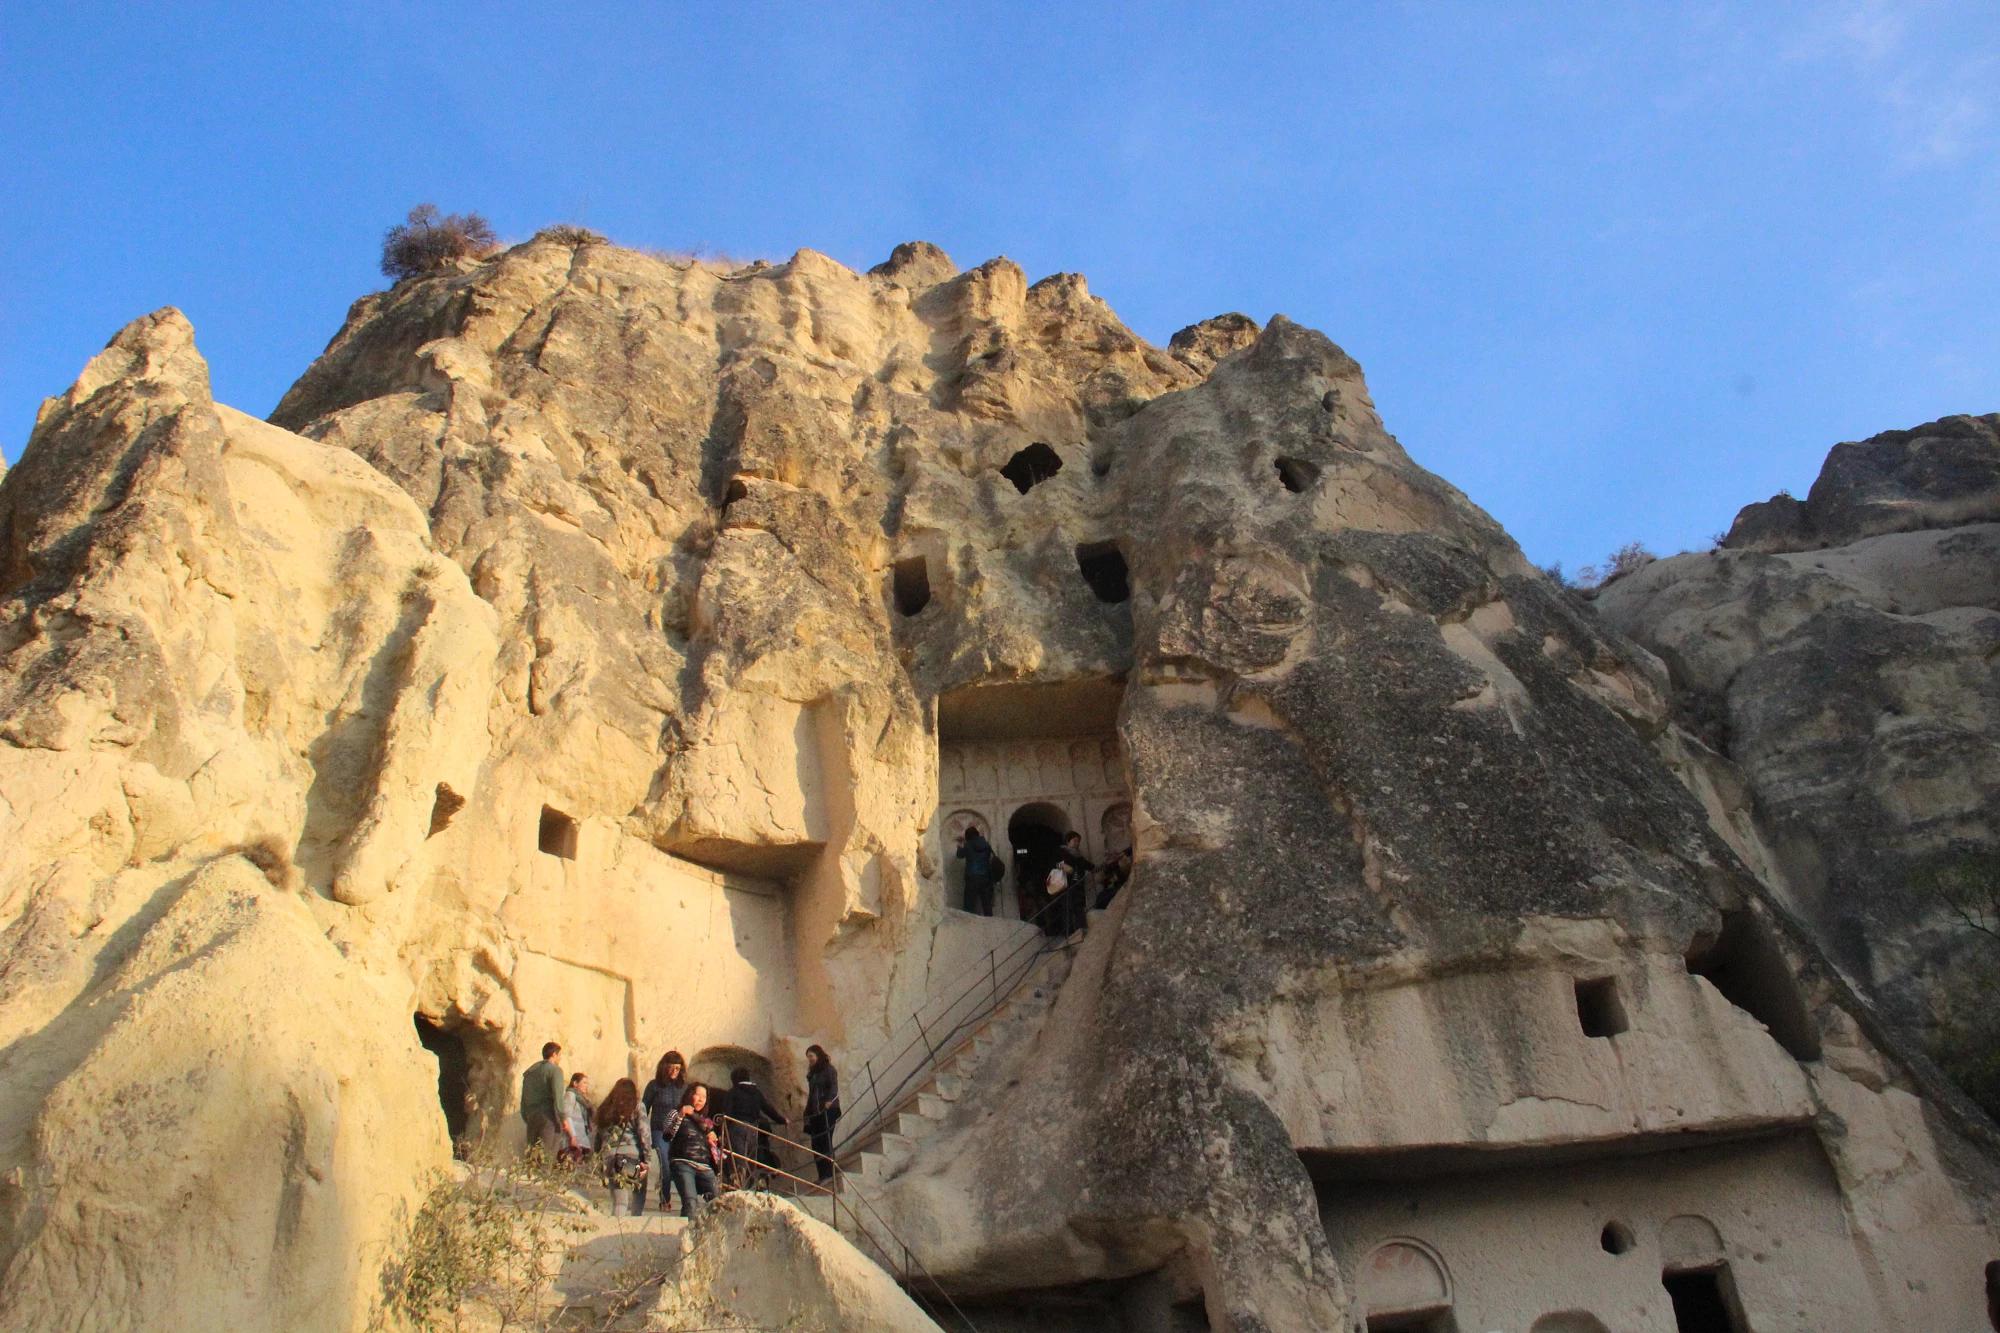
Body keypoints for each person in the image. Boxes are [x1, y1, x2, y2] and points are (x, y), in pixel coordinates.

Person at [660, 1084, 723, 1218]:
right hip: (683, 1163)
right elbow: (667, 1135)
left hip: (704, 1166)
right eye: (698, 1095)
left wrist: (712, 1139)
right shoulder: (675, 1112)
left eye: (704, 1097)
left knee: (719, 1202)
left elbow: (712, 1146)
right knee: (690, 1202)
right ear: (689, 1095)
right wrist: (681, 1116)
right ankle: (687, 1235)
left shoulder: (706, 1123)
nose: (701, 1099)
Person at [720, 1066, 787, 1188]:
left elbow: (727, 1112)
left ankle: (738, 1186)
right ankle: (749, 1186)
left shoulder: (733, 1092)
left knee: (738, 1157)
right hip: (753, 1129)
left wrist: (723, 1132)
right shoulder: (756, 1093)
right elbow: (768, 1108)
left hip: (737, 1127)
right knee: (751, 1158)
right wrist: (782, 1120)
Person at [592, 1078, 648, 1216]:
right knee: (639, 1191)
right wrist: (648, 1160)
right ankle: (634, 1223)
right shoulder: (637, 1106)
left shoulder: (604, 1109)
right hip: (631, 1157)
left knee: (619, 1201)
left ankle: (616, 1227)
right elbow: (644, 1134)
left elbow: (597, 1140)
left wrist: (600, 1165)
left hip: (610, 1158)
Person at [641, 1051, 687, 1212]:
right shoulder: (654, 1085)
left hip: (679, 1132)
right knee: (665, 1165)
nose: (675, 1071)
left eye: (678, 1068)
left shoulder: (684, 1088)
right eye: (671, 1068)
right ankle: (665, 1199)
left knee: (678, 1166)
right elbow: (643, 1109)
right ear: (664, 1067)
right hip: (659, 1130)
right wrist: (642, 1132)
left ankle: (686, 1202)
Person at [518, 1042, 573, 1159]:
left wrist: (527, 1117)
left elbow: (523, 1100)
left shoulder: (530, 1073)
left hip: (531, 1116)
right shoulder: (555, 1070)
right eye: (559, 1055)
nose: (560, 1058)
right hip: (548, 1117)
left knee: (532, 1156)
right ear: (554, 1054)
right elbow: (558, 1098)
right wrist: (564, 1120)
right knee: (547, 1155)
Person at [803, 1044, 841, 1184]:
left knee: (825, 1140)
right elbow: (812, 1095)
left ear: (818, 1055)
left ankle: (829, 1172)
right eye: (808, 1057)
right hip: (816, 1112)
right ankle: (822, 1175)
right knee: (816, 1143)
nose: (810, 1059)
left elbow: (833, 1086)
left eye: (811, 1056)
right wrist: (807, 1112)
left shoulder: (828, 1070)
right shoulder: (813, 1074)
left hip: (828, 1110)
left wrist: (830, 1100)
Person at [954, 825, 1002, 917]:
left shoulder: (968, 845)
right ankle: (990, 923)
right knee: (987, 904)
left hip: (972, 877)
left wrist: (960, 846)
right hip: (986, 878)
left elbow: (959, 855)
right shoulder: (986, 845)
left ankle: (968, 925)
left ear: (968, 836)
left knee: (969, 905)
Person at [1059, 832, 1096, 936]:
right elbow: (1055, 863)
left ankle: (1081, 931)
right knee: (1068, 908)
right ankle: (1069, 934)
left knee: (1079, 907)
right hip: (1067, 885)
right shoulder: (1062, 852)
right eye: (1074, 840)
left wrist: (1098, 867)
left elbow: (1087, 865)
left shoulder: (1078, 855)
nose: (1077, 843)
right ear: (1068, 841)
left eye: (1078, 841)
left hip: (1078, 884)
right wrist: (1063, 866)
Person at [560, 1072, 594, 1167]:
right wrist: (573, 1136)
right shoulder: (570, 1095)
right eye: (584, 1083)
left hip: (581, 1140)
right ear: (575, 1083)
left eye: (587, 1083)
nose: (586, 1086)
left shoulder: (582, 1099)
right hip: (573, 1140)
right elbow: (566, 1116)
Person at [1094, 846, 1133, 910]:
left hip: (1122, 887)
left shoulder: (1122, 861)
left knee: (1108, 896)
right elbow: (1099, 879)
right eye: (1109, 856)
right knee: (1101, 897)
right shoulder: (1109, 867)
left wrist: (1120, 861)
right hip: (1114, 887)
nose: (1110, 857)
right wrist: (1105, 868)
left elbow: (1125, 872)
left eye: (1112, 855)